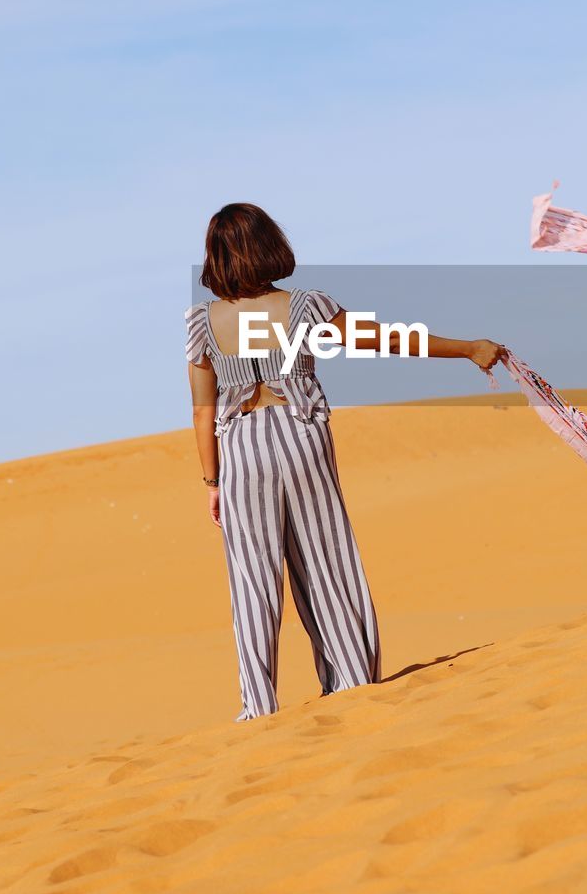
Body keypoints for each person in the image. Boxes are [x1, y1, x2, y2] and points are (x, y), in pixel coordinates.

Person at [186, 203, 505, 721]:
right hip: (301, 435)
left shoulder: (203, 323)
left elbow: (203, 410)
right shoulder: (304, 307)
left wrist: (212, 480)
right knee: (326, 558)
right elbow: (387, 339)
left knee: (252, 581)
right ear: (270, 245)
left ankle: (257, 707)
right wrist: (467, 347)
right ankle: (353, 681)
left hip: (241, 448)